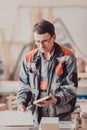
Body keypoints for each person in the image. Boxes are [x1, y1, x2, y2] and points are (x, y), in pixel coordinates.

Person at [17, 19, 78, 125]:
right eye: (37, 41)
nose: (41, 46)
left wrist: (55, 99)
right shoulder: (29, 58)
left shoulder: (67, 57)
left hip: (61, 117)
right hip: (36, 116)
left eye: (45, 41)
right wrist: (21, 103)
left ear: (54, 37)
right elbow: (24, 86)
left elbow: (70, 89)